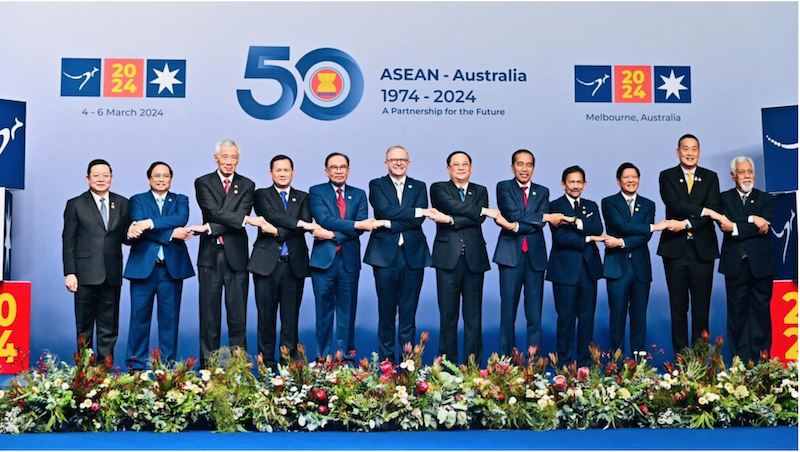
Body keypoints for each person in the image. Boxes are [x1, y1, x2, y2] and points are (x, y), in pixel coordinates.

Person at [188, 139, 273, 367]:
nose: (229, 162)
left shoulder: (247, 184)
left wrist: (209, 228)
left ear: (238, 159)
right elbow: (213, 211)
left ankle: (239, 369)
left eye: (233, 157)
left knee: (238, 317)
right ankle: (208, 369)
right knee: (209, 318)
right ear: (216, 158)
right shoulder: (203, 182)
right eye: (224, 157)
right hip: (210, 257)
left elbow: (228, 218)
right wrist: (245, 219)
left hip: (236, 257)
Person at [123, 162, 195, 370]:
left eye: (165, 175)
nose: (161, 179)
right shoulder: (137, 200)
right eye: (157, 175)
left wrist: (149, 224)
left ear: (171, 179)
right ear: (149, 179)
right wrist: (171, 233)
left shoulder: (181, 200)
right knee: (138, 321)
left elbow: (180, 218)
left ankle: (167, 368)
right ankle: (135, 368)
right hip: (144, 269)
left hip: (171, 270)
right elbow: (138, 224)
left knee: (169, 323)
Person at [364, 145, 432, 363]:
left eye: (403, 160)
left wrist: (387, 223)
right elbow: (384, 210)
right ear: (386, 163)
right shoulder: (377, 184)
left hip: (413, 255)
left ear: (409, 163)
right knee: (386, 312)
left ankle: (407, 364)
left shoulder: (419, 186)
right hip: (384, 256)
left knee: (408, 313)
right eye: (394, 160)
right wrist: (414, 212)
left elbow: (418, 220)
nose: (399, 163)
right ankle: (386, 364)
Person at [492, 149, 564, 356]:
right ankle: (505, 363)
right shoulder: (504, 187)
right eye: (520, 164)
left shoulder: (542, 191)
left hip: (535, 258)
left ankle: (534, 366)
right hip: (510, 257)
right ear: (512, 166)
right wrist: (543, 218)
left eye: (529, 164)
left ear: (534, 167)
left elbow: (533, 223)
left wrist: (514, 226)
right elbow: (512, 213)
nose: (524, 169)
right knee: (508, 313)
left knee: (534, 315)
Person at [248, 155, 315, 370]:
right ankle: (267, 367)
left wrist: (277, 230)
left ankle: (288, 369)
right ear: (271, 174)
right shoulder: (261, 195)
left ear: (293, 173)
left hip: (293, 265)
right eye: (278, 170)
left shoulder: (304, 197)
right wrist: (295, 225)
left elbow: (305, 225)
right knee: (265, 319)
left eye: (286, 170)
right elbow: (270, 214)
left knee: (290, 319)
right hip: (266, 265)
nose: (283, 173)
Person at [428, 151, 495, 364]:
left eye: (464, 164)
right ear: (448, 169)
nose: (460, 168)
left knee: (473, 318)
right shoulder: (438, 188)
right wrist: (481, 210)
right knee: (448, 317)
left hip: (474, 259)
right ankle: (447, 368)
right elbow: (452, 206)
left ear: (471, 168)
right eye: (455, 165)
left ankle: (472, 367)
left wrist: (449, 220)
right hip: (447, 260)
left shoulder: (481, 190)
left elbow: (477, 221)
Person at [308, 152, 377, 358]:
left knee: (347, 313)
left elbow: (362, 228)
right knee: (323, 313)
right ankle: (322, 358)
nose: (339, 171)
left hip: (348, 262)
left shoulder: (359, 194)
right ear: (326, 171)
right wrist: (354, 225)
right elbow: (325, 218)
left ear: (348, 170)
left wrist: (331, 235)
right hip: (323, 263)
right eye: (334, 167)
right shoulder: (317, 191)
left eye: (343, 167)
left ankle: (346, 358)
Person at [657, 134, 721, 354]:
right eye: (685, 149)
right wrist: (703, 211)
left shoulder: (711, 177)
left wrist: (685, 224)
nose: (690, 153)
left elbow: (714, 209)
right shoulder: (667, 176)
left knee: (702, 309)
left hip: (703, 250)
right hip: (675, 251)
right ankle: (682, 361)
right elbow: (674, 205)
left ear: (700, 152)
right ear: (678, 152)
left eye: (694, 149)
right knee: (678, 308)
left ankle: (701, 360)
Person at [62, 159, 130, 362]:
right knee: (84, 326)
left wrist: (134, 231)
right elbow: (69, 240)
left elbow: (124, 237)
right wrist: (70, 272)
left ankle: (104, 373)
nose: (101, 179)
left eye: (105, 175)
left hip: (111, 273)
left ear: (112, 177)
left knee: (109, 327)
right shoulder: (75, 204)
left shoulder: (122, 203)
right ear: (87, 178)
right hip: (84, 274)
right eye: (96, 175)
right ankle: (85, 371)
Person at [601, 163, 669, 356]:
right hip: (617, 268)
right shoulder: (609, 202)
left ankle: (639, 367)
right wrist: (652, 227)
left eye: (634, 177)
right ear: (618, 180)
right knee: (617, 318)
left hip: (640, 268)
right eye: (626, 177)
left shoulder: (648, 204)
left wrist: (621, 242)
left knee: (639, 318)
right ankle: (616, 364)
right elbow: (621, 225)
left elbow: (644, 237)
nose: (631, 181)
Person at [716, 156, 776, 362]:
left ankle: (762, 362)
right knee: (737, 314)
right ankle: (740, 362)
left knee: (761, 313)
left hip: (761, 265)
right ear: (733, 176)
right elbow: (724, 223)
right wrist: (752, 219)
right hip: (735, 264)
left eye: (750, 171)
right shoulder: (723, 199)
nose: (747, 175)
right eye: (742, 172)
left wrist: (736, 226)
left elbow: (765, 227)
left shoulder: (766, 199)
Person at [546, 166, 604, 367]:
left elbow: (599, 227)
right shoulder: (554, 205)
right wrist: (588, 237)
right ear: (563, 184)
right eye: (571, 182)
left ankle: (585, 364)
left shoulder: (592, 205)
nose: (575, 186)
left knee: (587, 319)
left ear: (585, 184)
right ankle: (564, 363)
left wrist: (576, 223)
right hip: (564, 271)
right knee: (566, 319)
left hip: (589, 270)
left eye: (579, 182)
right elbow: (562, 237)